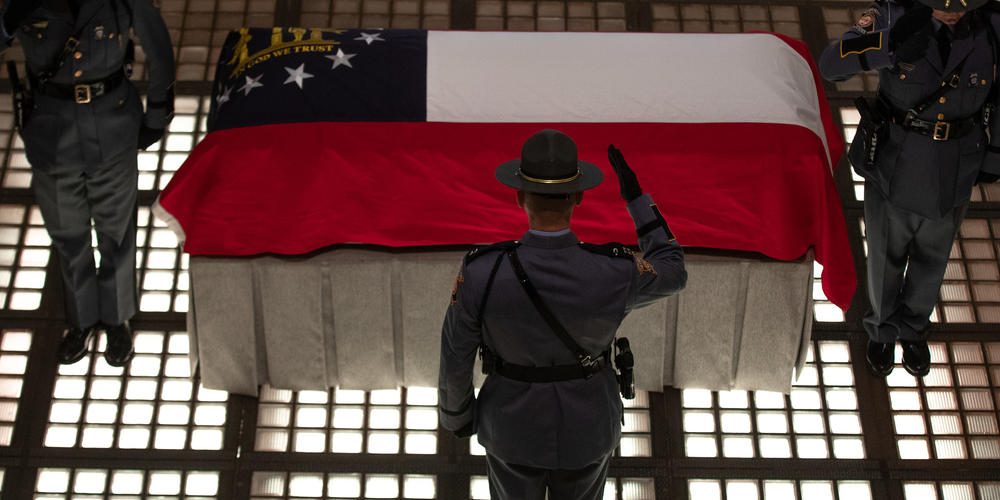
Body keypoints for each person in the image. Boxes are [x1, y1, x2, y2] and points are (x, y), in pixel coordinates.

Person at [437, 129, 686, 500]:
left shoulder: (481, 270)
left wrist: (457, 416)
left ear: (519, 195)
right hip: (588, 428)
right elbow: (673, 268)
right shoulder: (616, 271)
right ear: (580, 196)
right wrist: (636, 199)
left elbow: (456, 351)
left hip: (510, 427)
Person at [818, 0, 1000, 378]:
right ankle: (882, 328)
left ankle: (914, 329)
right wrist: (890, 45)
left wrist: (993, 159)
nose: (952, 11)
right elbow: (831, 65)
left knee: (934, 258)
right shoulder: (892, 16)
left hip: (957, 159)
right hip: (898, 158)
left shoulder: (992, 24)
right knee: (886, 252)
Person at [0, 0, 175, 366]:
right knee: (68, 233)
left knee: (115, 231)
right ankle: (82, 321)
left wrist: (158, 112)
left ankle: (116, 319)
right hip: (52, 132)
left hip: (111, 126)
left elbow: (157, 46)